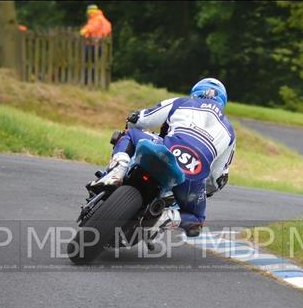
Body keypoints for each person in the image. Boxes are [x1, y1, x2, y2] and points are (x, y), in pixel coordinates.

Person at [88, 78, 236, 238]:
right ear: (223, 102)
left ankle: (117, 171)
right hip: (192, 176)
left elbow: (141, 119)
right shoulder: (230, 132)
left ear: (195, 93)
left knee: (129, 135)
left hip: (166, 149)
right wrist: (204, 191)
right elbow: (217, 177)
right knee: (197, 221)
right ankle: (166, 217)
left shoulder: (182, 102)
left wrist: (132, 122)